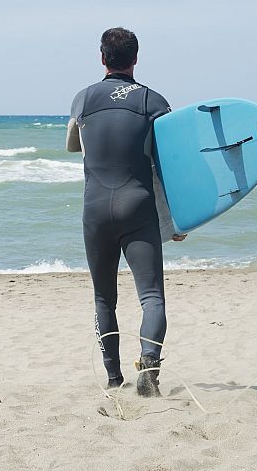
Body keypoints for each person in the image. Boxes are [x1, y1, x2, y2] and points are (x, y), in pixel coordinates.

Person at [66, 27, 185, 397]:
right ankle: (149, 370)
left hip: (96, 209)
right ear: (136, 58)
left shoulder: (82, 100)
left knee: (104, 298)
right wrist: (178, 218)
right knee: (151, 297)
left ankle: (114, 378)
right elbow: (170, 164)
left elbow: (74, 146)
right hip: (138, 206)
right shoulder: (154, 102)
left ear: (102, 58)